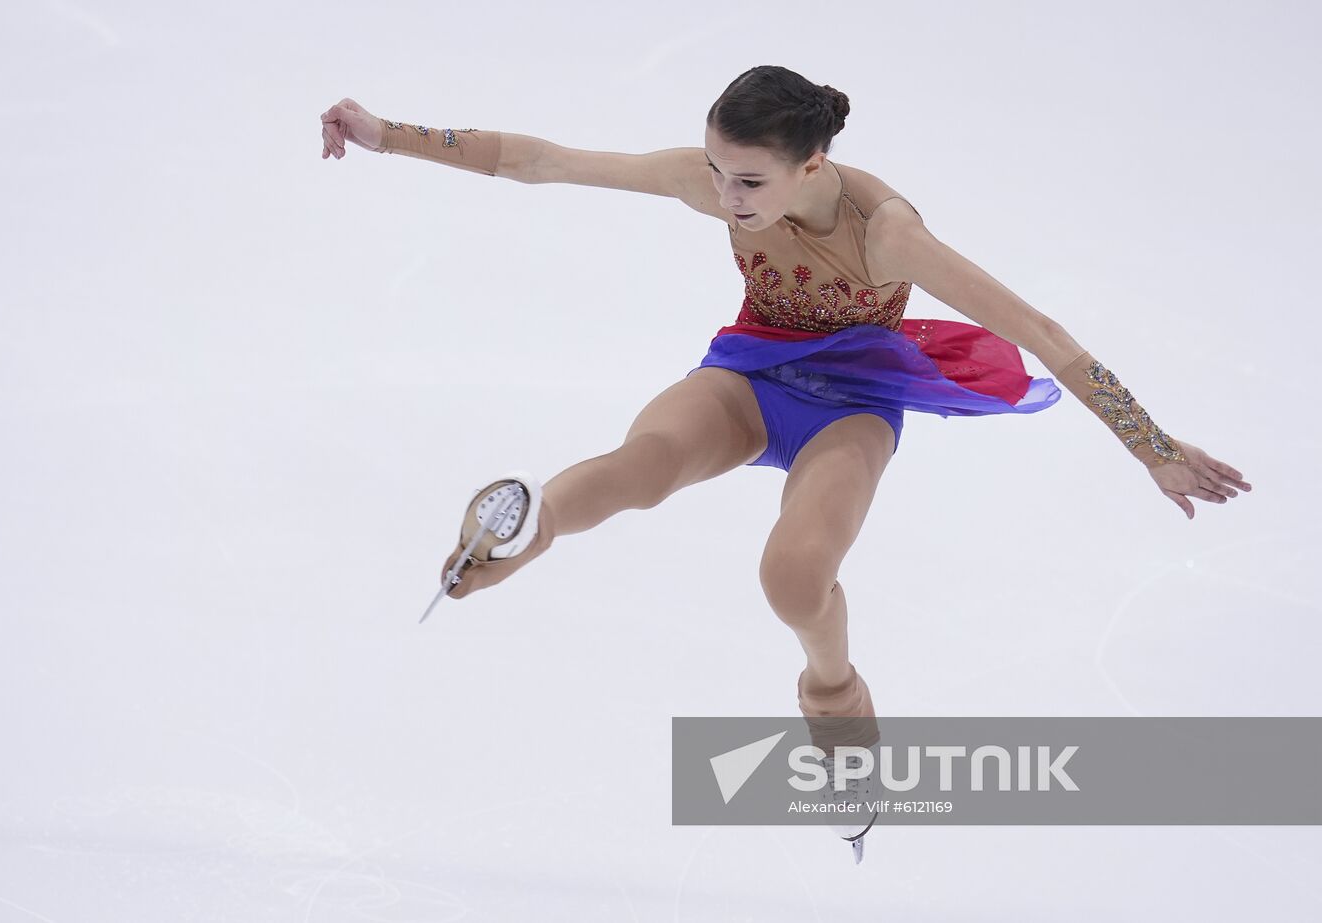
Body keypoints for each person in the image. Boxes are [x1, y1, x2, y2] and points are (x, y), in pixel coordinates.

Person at [319, 65, 1251, 860]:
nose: (727, 196)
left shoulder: (888, 229)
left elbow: (1045, 335)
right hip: (750, 368)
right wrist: (385, 133)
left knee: (794, 574)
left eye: (749, 181)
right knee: (643, 462)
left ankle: (835, 699)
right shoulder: (710, 178)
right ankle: (511, 532)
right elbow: (540, 162)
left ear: (814, 164)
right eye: (719, 171)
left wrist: (1155, 449)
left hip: (854, 399)